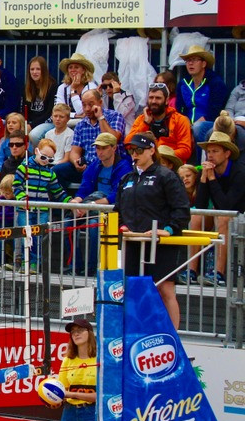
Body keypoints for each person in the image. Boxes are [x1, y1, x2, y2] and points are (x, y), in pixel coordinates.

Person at [116, 131, 191, 329]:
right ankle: (138, 332)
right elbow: (118, 210)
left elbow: (182, 210)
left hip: (160, 243)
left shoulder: (166, 176)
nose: (135, 154)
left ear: (151, 150)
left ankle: (173, 337)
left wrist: (168, 229)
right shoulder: (127, 179)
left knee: (165, 289)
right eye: (131, 150)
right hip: (133, 242)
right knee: (133, 289)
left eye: (139, 150)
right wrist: (122, 226)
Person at [69, 132, 132, 273]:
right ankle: (74, 267)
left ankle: (92, 269)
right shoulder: (95, 165)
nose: (99, 152)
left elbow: (117, 196)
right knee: (68, 222)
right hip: (92, 205)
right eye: (97, 148)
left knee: (94, 225)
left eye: (103, 148)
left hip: (114, 211)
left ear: (114, 148)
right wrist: (76, 202)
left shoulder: (124, 167)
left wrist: (91, 205)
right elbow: (85, 187)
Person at [192, 131, 244, 286]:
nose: (210, 155)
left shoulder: (240, 172)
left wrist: (212, 180)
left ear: (227, 153)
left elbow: (227, 206)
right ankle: (192, 271)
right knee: (196, 217)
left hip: (240, 217)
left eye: (215, 151)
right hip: (224, 215)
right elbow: (200, 206)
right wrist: (203, 179)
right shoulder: (208, 171)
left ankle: (219, 273)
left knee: (223, 216)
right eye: (208, 151)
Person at [12, 137, 70, 271]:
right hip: (24, 209)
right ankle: (22, 262)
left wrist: (69, 201)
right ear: (36, 151)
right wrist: (22, 200)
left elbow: (58, 191)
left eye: (50, 160)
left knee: (39, 238)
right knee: (24, 236)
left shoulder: (50, 173)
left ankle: (34, 263)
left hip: (42, 210)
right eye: (44, 157)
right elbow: (16, 186)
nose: (46, 162)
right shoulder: (23, 168)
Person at [57, 89, 126, 186]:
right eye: (84, 105)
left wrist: (100, 117)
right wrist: (76, 162)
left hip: (109, 165)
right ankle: (63, 199)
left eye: (91, 104)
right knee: (57, 171)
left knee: (93, 172)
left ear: (100, 103)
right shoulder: (81, 124)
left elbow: (112, 139)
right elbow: (75, 151)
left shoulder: (115, 116)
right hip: (86, 166)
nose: (87, 109)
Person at [126, 82, 193, 165]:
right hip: (146, 164)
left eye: (158, 98)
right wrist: (145, 123)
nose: (154, 101)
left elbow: (185, 151)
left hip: (170, 165)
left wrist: (161, 155)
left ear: (167, 100)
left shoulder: (180, 120)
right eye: (151, 98)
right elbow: (128, 143)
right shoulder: (142, 119)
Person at [177, 45, 229, 145]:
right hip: (188, 124)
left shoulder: (216, 83)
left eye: (194, 60)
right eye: (188, 60)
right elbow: (180, 109)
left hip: (211, 123)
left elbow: (214, 111)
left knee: (198, 128)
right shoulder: (182, 84)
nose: (190, 63)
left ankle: (201, 160)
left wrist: (193, 126)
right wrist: (186, 125)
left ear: (204, 64)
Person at [24, 56, 58, 143]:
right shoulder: (27, 87)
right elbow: (24, 110)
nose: (34, 72)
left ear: (44, 71)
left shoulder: (52, 86)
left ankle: (37, 155)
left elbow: (50, 112)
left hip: (48, 122)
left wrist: (31, 125)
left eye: (38, 69)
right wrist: (24, 123)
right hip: (31, 122)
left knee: (34, 135)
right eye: (32, 69)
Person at [55, 53, 97, 122]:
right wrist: (75, 115)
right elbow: (59, 110)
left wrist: (73, 91)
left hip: (87, 122)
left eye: (76, 67)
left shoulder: (91, 87)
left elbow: (82, 110)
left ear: (83, 70)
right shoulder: (62, 88)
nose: (73, 70)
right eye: (70, 67)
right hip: (65, 122)